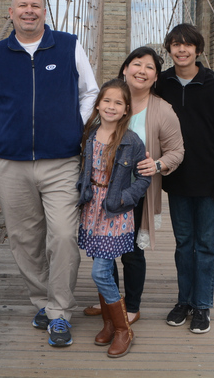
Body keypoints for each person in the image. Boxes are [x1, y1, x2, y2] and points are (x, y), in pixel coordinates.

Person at [0, 0, 99, 347]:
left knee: (63, 235)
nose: (29, 11)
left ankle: (59, 313)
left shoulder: (67, 46)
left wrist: (73, 127)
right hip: (10, 162)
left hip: (61, 161)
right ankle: (43, 303)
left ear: (44, 12)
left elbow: (90, 92)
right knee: (25, 239)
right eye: (22, 6)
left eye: (35, 5)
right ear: (10, 11)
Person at [82, 47, 184, 323]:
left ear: (155, 77)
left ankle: (132, 307)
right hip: (100, 194)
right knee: (105, 249)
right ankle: (111, 303)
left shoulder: (162, 110)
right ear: (124, 69)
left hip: (134, 193)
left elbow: (177, 151)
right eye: (136, 63)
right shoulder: (106, 104)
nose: (142, 70)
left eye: (149, 67)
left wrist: (158, 165)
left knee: (130, 252)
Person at [156, 23, 214, 334]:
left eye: (187, 45)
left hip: (209, 183)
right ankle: (184, 301)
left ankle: (202, 305)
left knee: (206, 246)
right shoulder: (161, 83)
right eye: (175, 44)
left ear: (198, 50)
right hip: (177, 181)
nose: (181, 49)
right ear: (169, 49)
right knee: (183, 245)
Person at [76, 79, 151, 358]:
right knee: (102, 269)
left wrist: (126, 199)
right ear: (98, 104)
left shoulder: (131, 141)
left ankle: (123, 330)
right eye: (107, 101)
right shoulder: (90, 135)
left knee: (99, 272)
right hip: (91, 209)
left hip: (115, 211)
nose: (111, 106)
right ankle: (108, 323)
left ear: (126, 110)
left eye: (118, 103)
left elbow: (144, 176)